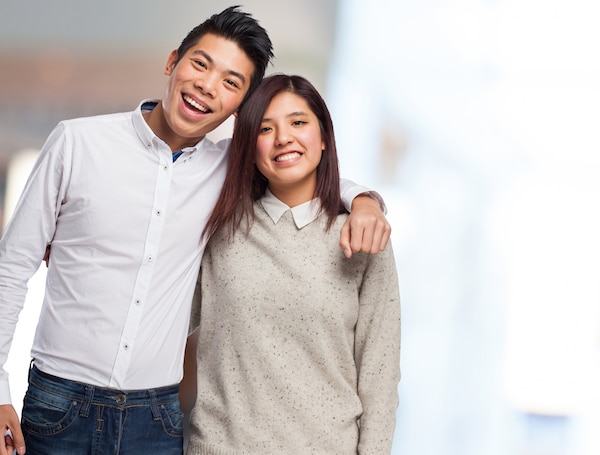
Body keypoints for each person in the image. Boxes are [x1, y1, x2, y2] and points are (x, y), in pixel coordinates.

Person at [0, 7, 391, 455]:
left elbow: (299, 165)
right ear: (172, 62)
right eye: (201, 64)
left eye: (231, 82)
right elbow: (11, 268)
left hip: (156, 418)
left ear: (240, 105)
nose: (208, 86)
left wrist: (365, 201)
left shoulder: (231, 169)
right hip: (57, 403)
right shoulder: (76, 143)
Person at [184, 74, 401, 454]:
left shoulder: (363, 235)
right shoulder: (218, 230)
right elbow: (164, 321)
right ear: (249, 147)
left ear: (324, 138)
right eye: (265, 129)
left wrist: (365, 201)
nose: (283, 137)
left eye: (298, 122)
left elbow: (379, 378)